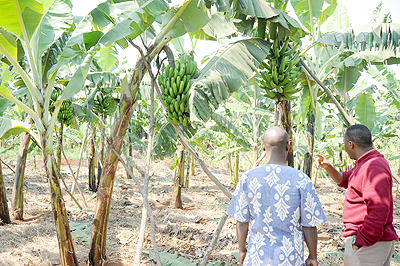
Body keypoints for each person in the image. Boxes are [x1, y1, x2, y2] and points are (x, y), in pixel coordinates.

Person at [227, 126, 326, 266]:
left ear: (262, 147)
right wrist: (313, 256)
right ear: (288, 146)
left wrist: (242, 250)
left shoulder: (247, 178)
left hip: (257, 258)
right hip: (291, 259)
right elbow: (309, 225)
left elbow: (242, 222)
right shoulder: (301, 180)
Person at [316, 124, 398, 266]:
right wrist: (327, 166)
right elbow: (344, 179)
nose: (345, 149)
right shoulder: (365, 163)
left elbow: (379, 210)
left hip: (369, 244)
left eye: (345, 145)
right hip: (369, 243)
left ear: (351, 144)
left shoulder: (374, 167)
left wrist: (360, 242)